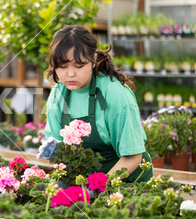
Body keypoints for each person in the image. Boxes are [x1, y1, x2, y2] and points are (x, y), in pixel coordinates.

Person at [44, 25, 152, 183]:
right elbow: (54, 149)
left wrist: (99, 186)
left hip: (125, 180)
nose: (71, 73)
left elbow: (133, 157)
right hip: (81, 182)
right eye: (63, 67)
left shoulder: (114, 93)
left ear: (93, 60)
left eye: (79, 66)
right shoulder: (58, 93)